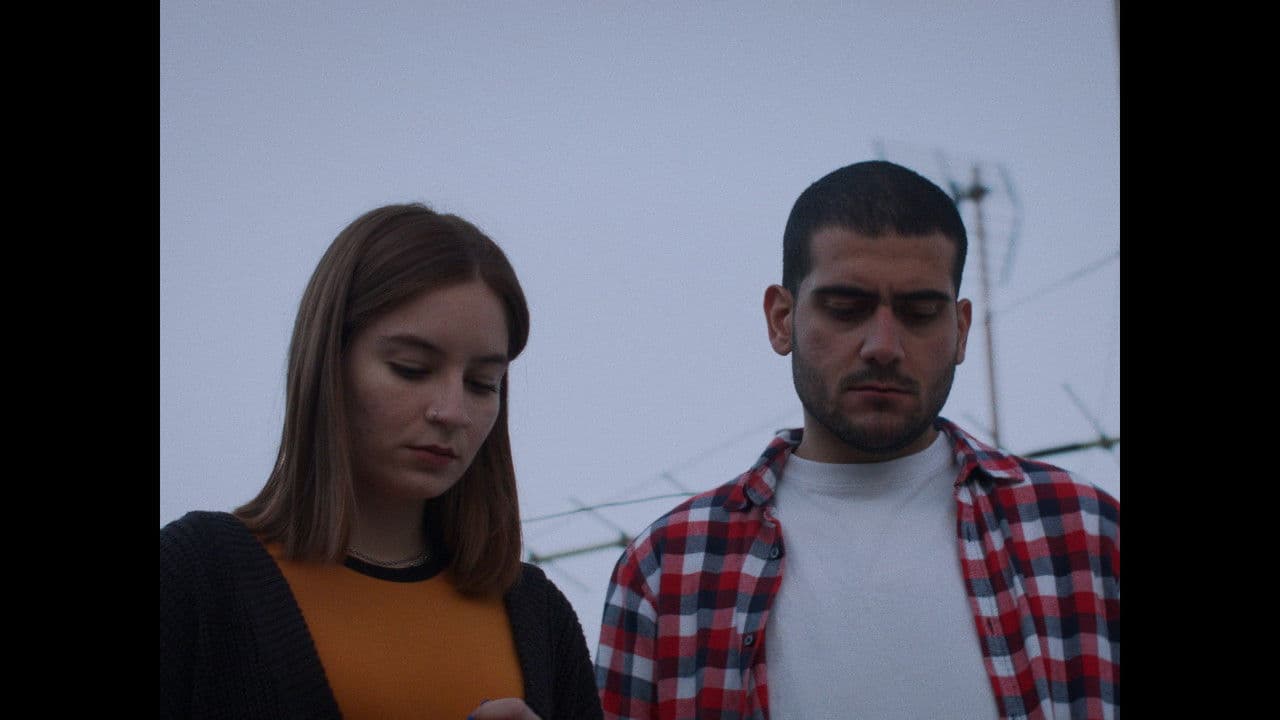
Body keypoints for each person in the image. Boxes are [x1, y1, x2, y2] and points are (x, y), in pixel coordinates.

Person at [595, 161, 1119, 719]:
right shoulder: (670, 569)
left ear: (961, 330)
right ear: (781, 319)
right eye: (846, 309)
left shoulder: (1084, 535)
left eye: (920, 313)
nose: (883, 346)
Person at [160, 203, 603, 720]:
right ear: (329, 362)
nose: (452, 412)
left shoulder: (538, 617)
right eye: (411, 369)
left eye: (482, 383)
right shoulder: (194, 578)